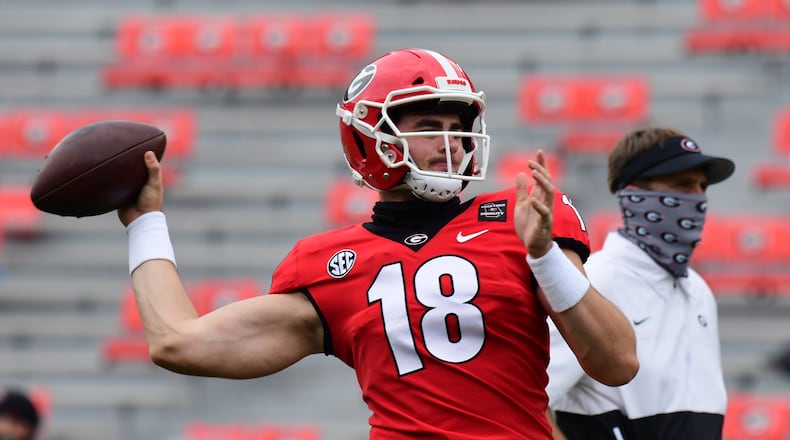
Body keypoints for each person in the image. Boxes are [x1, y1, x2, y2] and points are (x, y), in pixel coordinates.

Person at [118, 48, 638, 439]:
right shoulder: (326, 263)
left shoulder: (519, 219)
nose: (451, 142)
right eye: (429, 127)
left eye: (457, 128)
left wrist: (544, 256)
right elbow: (177, 342)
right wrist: (145, 221)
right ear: (371, 138)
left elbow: (617, 361)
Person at [546, 127, 734, 440]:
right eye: (683, 185)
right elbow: (529, 397)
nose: (699, 198)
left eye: (702, 186)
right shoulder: (590, 282)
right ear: (635, 194)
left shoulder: (699, 290)